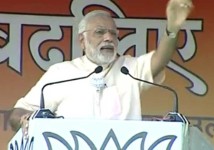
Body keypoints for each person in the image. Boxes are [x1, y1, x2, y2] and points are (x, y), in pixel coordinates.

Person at [9, 0, 193, 133]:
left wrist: (173, 29)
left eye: (113, 34)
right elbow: (16, 114)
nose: (108, 38)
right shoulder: (61, 73)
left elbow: (160, 60)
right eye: (100, 32)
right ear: (82, 40)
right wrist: (27, 119)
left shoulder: (129, 68)